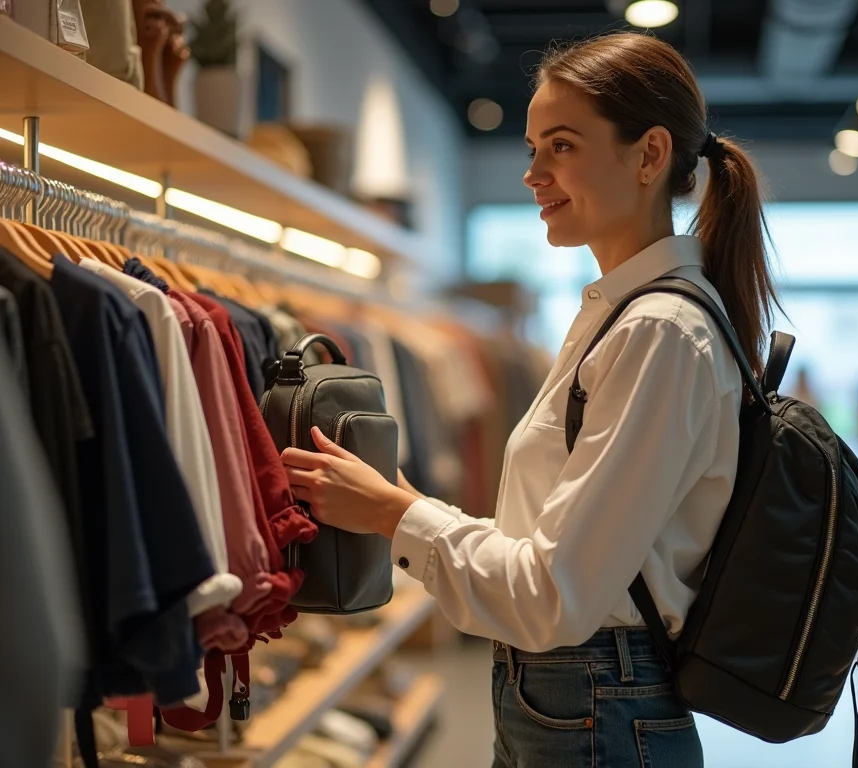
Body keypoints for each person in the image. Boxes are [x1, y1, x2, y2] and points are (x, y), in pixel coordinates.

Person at [282, 32, 780, 768]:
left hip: (596, 705)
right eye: (532, 149)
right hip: (575, 699)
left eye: (562, 146)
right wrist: (409, 505)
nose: (533, 174)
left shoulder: (659, 333)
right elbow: (550, 548)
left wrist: (394, 514)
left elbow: (554, 595)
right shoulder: (625, 318)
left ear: (649, 155)